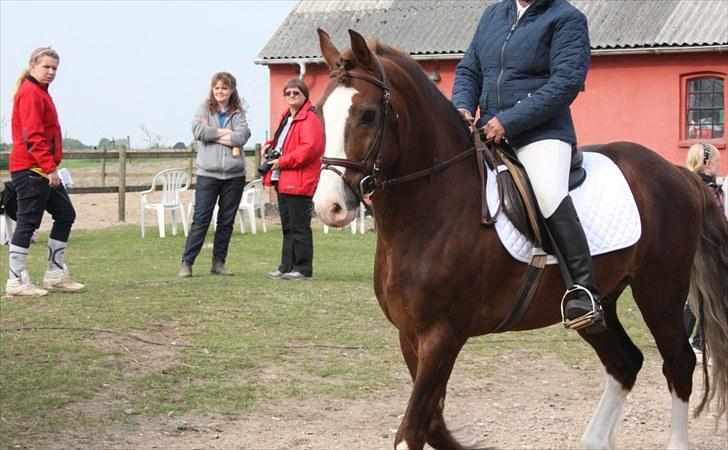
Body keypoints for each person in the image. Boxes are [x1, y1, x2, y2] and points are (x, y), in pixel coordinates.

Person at [452, 0, 604, 332]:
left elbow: (564, 83)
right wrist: (462, 107)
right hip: (489, 131)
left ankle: (584, 291)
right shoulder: (493, 14)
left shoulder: (566, 18)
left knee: (549, 193)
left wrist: (508, 121)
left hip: (542, 133)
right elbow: (469, 69)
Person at [6, 47, 84, 297]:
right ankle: (16, 280)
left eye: (54, 68)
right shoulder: (30, 93)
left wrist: (50, 167)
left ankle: (55, 274)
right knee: (28, 222)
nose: (50, 72)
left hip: (42, 168)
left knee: (65, 214)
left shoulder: (40, 92)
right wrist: (50, 168)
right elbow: (33, 136)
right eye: (46, 67)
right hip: (32, 169)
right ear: (32, 66)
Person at [179, 72, 251, 277]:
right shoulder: (203, 109)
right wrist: (225, 133)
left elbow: (243, 136)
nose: (220, 91)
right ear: (212, 89)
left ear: (232, 90)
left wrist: (214, 133)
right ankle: (187, 262)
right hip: (208, 174)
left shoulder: (238, 112)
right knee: (201, 219)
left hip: (234, 175)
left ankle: (218, 263)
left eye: (224, 88)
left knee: (226, 221)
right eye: (217, 88)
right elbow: (198, 132)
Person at [262, 78, 324, 281]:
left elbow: (309, 149)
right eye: (288, 93)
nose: (291, 96)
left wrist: (283, 161)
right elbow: (283, 142)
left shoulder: (310, 119)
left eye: (296, 93)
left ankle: (303, 268)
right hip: (284, 178)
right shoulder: (287, 117)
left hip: (299, 179)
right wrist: (269, 146)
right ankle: (286, 266)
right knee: (288, 227)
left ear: (305, 95)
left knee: (300, 227)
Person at [683, 142, 724, 359]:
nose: (719, 164)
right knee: (705, 296)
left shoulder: (697, 185)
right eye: (717, 160)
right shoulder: (705, 189)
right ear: (707, 163)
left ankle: (690, 342)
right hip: (704, 250)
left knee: (696, 297)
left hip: (699, 249)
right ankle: (697, 343)